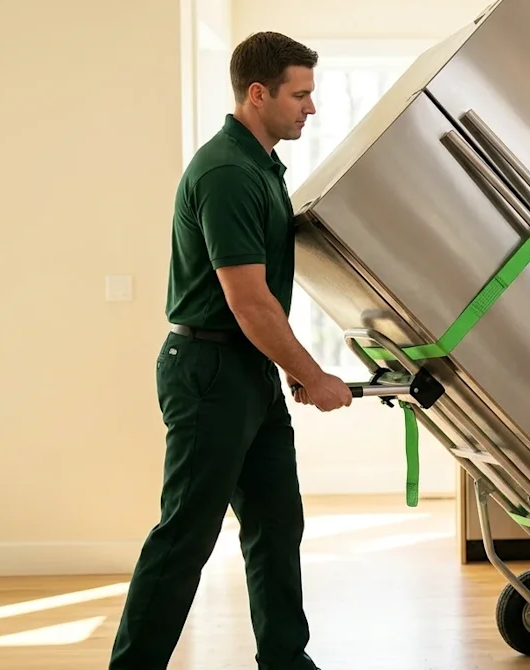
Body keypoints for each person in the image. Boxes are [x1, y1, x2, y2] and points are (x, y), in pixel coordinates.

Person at [110, 31, 354, 670]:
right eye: (300, 95)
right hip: (209, 372)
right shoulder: (226, 173)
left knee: (276, 523)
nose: (311, 107)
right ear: (258, 94)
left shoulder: (261, 166)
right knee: (185, 538)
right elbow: (249, 302)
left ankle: (286, 661)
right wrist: (312, 374)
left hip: (246, 368)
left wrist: (283, 366)